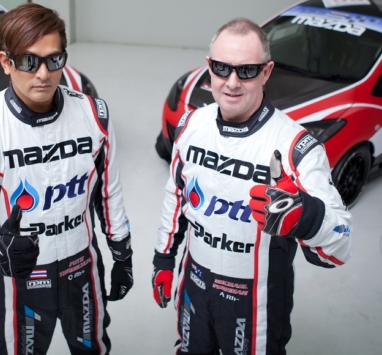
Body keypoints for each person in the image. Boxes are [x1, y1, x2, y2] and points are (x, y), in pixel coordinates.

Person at [0, 3, 134, 355]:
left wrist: (122, 253)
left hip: (83, 271)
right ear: (5, 61)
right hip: (20, 280)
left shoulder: (95, 115)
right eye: (29, 61)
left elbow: (109, 193)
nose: (43, 73)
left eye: (54, 60)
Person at [151, 18, 352, 355]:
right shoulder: (190, 124)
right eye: (222, 68)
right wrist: (163, 259)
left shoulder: (296, 147)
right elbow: (176, 196)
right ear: (209, 67)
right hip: (194, 283)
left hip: (255, 302)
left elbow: (341, 246)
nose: (232, 83)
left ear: (266, 72)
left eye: (246, 71)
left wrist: (305, 215)